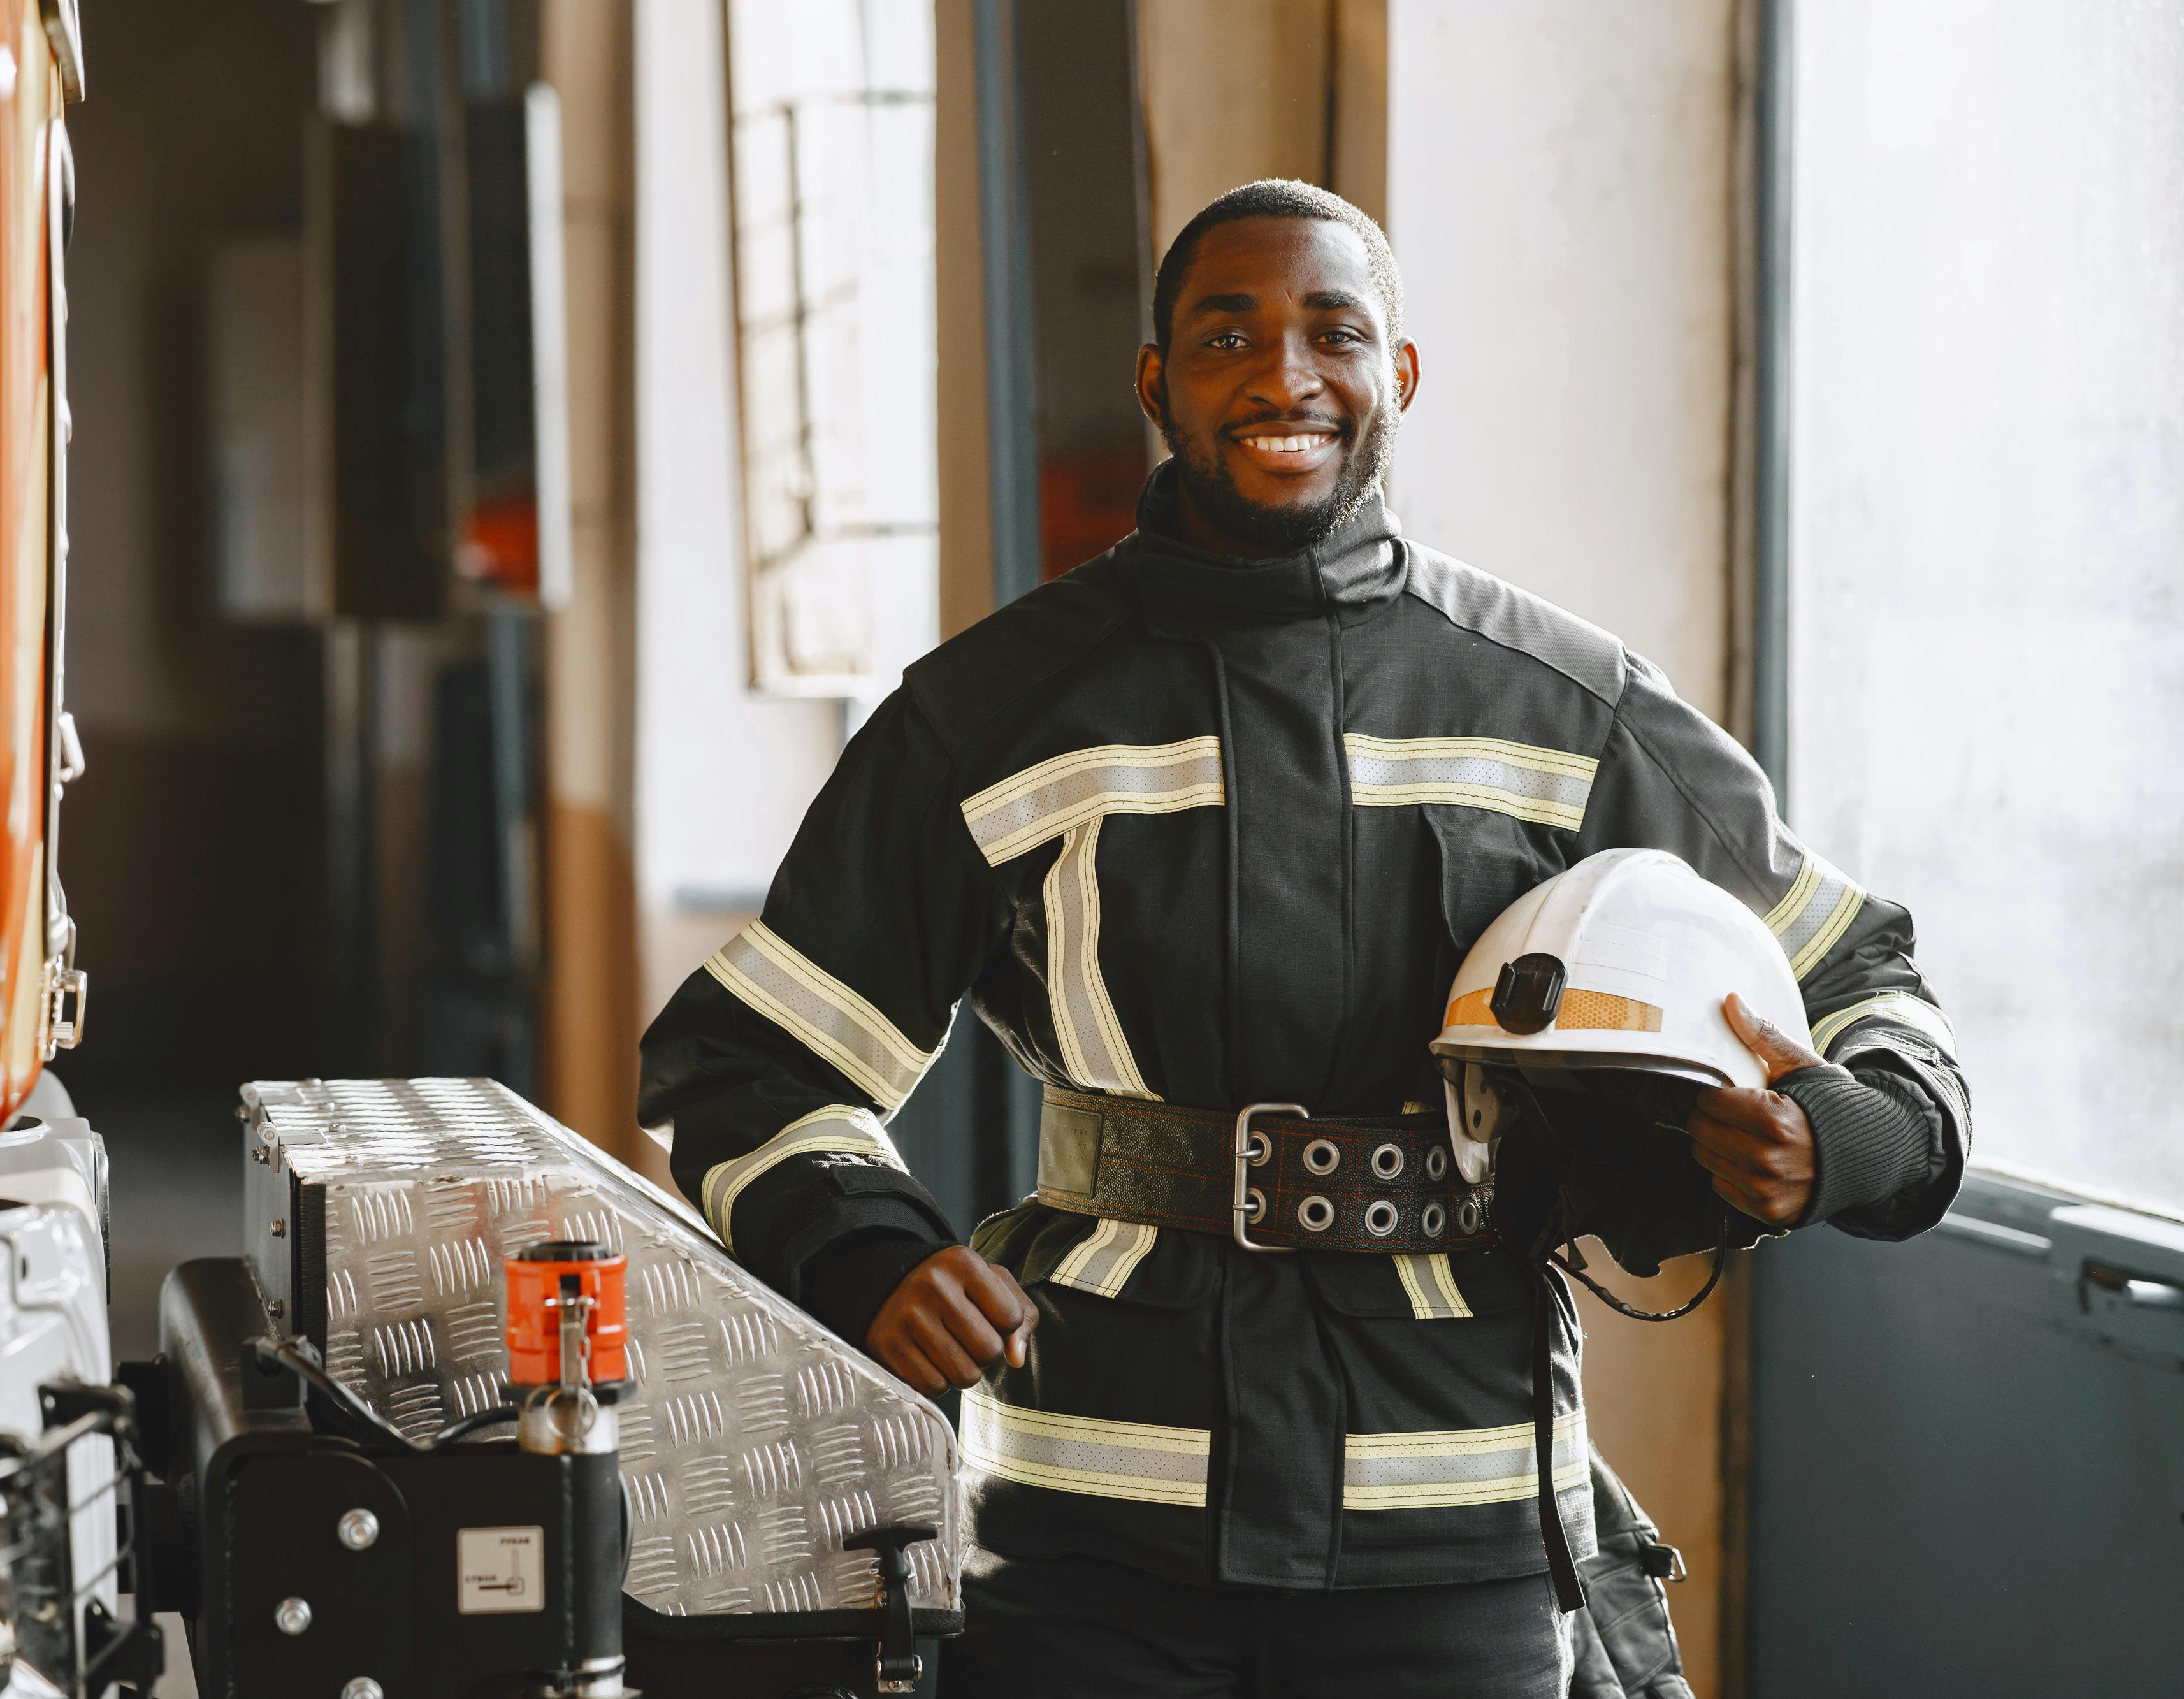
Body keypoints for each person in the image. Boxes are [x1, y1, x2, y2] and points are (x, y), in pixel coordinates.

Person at [638, 179, 1969, 1698]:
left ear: (1395, 377)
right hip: (1087, 1526)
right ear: (1157, 384)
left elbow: (1860, 973)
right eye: (1226, 337)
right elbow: (746, 1057)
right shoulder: (992, 713)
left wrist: (1847, 1137)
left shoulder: (1559, 703)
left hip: (1451, 1524)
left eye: (1333, 334)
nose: (1283, 376)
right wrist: (863, 1244)